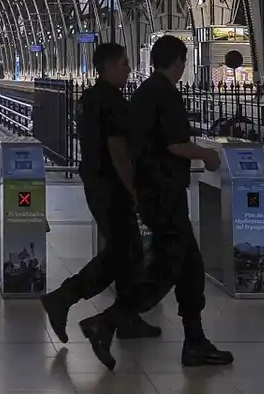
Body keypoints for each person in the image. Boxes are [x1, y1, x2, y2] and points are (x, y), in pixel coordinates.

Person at [78, 34, 234, 370]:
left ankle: (195, 341)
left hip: (155, 194)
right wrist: (207, 155)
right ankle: (106, 323)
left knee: (188, 266)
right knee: (166, 269)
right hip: (163, 195)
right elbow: (176, 144)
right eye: (184, 61)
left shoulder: (145, 92)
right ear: (178, 61)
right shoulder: (165, 93)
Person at [40, 43, 161, 344]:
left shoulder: (89, 98)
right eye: (124, 63)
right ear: (107, 66)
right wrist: (132, 189)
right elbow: (118, 150)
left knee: (127, 251)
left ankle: (125, 316)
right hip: (112, 186)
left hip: (96, 182)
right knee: (123, 251)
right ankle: (65, 297)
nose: (129, 69)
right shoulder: (111, 101)